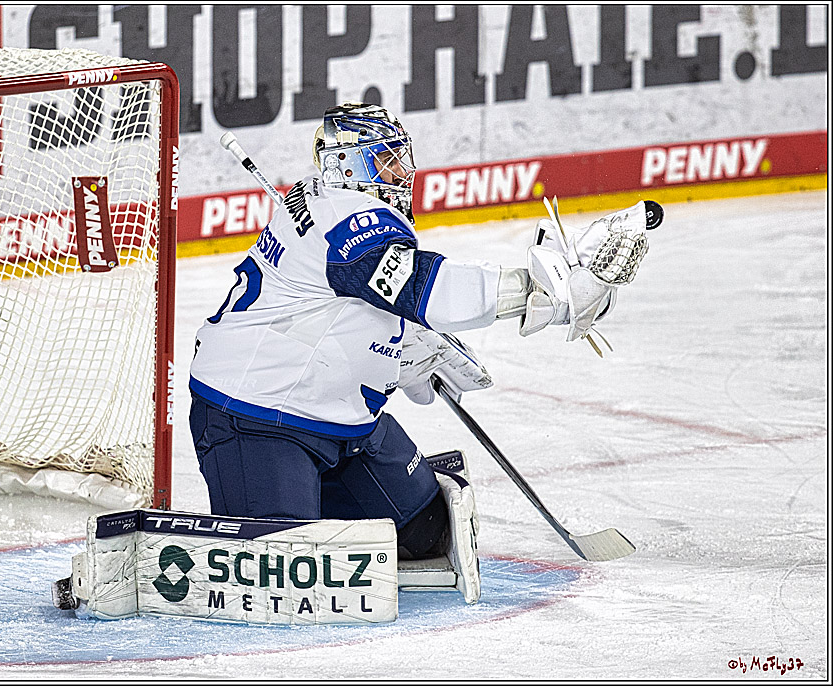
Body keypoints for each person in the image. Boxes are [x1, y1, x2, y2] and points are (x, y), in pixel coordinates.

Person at [188, 103, 653, 602]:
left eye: (399, 157)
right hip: (255, 415)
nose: (402, 172)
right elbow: (417, 285)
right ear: (347, 166)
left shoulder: (330, 205)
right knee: (284, 571)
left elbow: (356, 300)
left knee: (426, 533)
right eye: (385, 160)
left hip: (340, 418)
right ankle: (286, 498)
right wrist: (537, 289)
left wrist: (402, 351)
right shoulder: (347, 219)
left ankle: (311, 495)